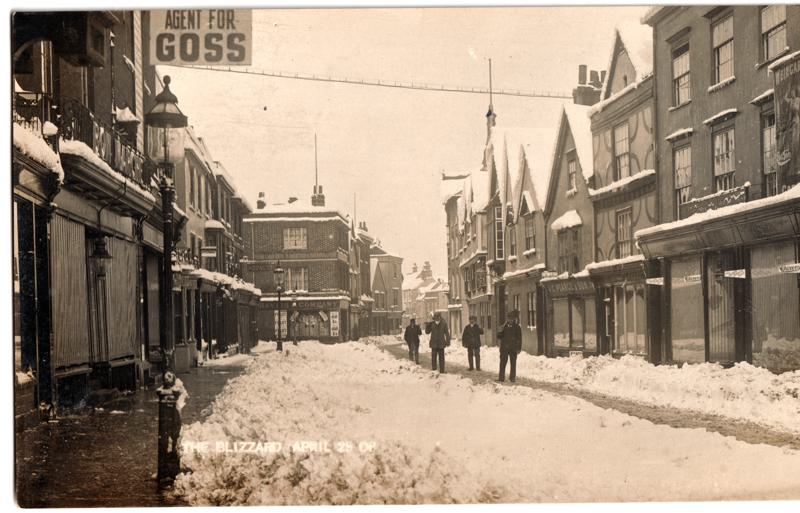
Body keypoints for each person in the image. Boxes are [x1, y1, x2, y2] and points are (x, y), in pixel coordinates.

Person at [497, 310, 522, 382]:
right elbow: (499, 337)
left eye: (512, 318)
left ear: (514, 319)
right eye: (509, 318)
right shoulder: (503, 327)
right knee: (502, 363)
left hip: (513, 348)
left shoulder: (517, 327)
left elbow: (519, 339)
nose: (510, 320)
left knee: (513, 363)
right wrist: (500, 331)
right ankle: (501, 378)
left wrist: (519, 348)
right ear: (507, 319)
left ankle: (512, 378)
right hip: (504, 348)